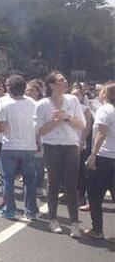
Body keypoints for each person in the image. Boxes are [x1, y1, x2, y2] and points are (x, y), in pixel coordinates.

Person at [35, 71, 86, 237]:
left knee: (71, 185)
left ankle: (74, 223)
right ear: (51, 85)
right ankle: (53, 219)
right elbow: (39, 131)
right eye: (60, 80)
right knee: (54, 183)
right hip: (52, 146)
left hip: (71, 146)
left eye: (65, 79)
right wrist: (55, 121)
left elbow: (82, 125)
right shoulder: (42, 104)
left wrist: (67, 118)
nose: (65, 82)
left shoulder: (72, 100)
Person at [0, 74, 38, 220]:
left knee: (8, 180)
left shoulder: (5, 104)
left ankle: (9, 210)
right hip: (29, 146)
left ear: (10, 88)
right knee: (30, 181)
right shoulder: (32, 103)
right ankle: (31, 211)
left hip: (10, 146)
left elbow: (2, 127)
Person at [83, 83, 115, 240]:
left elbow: (102, 133)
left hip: (104, 157)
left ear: (106, 94)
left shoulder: (105, 109)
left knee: (94, 195)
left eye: (101, 90)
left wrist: (93, 155)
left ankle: (97, 229)